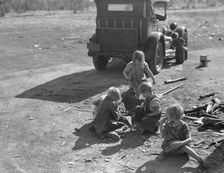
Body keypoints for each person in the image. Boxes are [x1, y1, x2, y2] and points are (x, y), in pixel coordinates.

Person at [159, 104, 206, 169]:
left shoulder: (184, 126)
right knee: (171, 144)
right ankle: (164, 153)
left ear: (172, 116)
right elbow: (162, 136)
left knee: (184, 147)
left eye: (167, 114)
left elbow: (189, 139)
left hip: (180, 148)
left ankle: (200, 160)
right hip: (169, 147)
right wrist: (161, 124)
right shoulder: (168, 124)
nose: (165, 116)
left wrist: (179, 143)